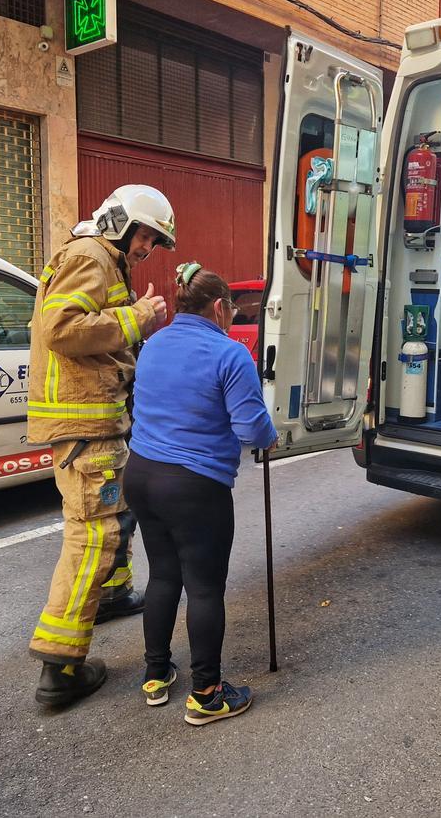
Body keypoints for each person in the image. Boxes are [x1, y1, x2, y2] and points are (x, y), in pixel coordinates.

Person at [26, 184, 174, 707]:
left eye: (153, 244)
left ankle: (110, 595)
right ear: (122, 223)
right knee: (92, 536)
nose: (146, 250)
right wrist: (139, 319)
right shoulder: (90, 255)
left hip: (94, 419)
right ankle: (60, 667)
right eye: (147, 238)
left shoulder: (99, 259)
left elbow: (95, 335)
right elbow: (61, 330)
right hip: (83, 423)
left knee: (115, 517)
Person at [123, 262, 277, 726]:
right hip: (193, 486)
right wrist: (270, 435)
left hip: (142, 474)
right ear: (218, 307)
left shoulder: (152, 345)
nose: (230, 315)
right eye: (230, 307)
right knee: (205, 587)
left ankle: (156, 674)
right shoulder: (229, 354)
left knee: (164, 575)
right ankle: (207, 695)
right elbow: (250, 427)